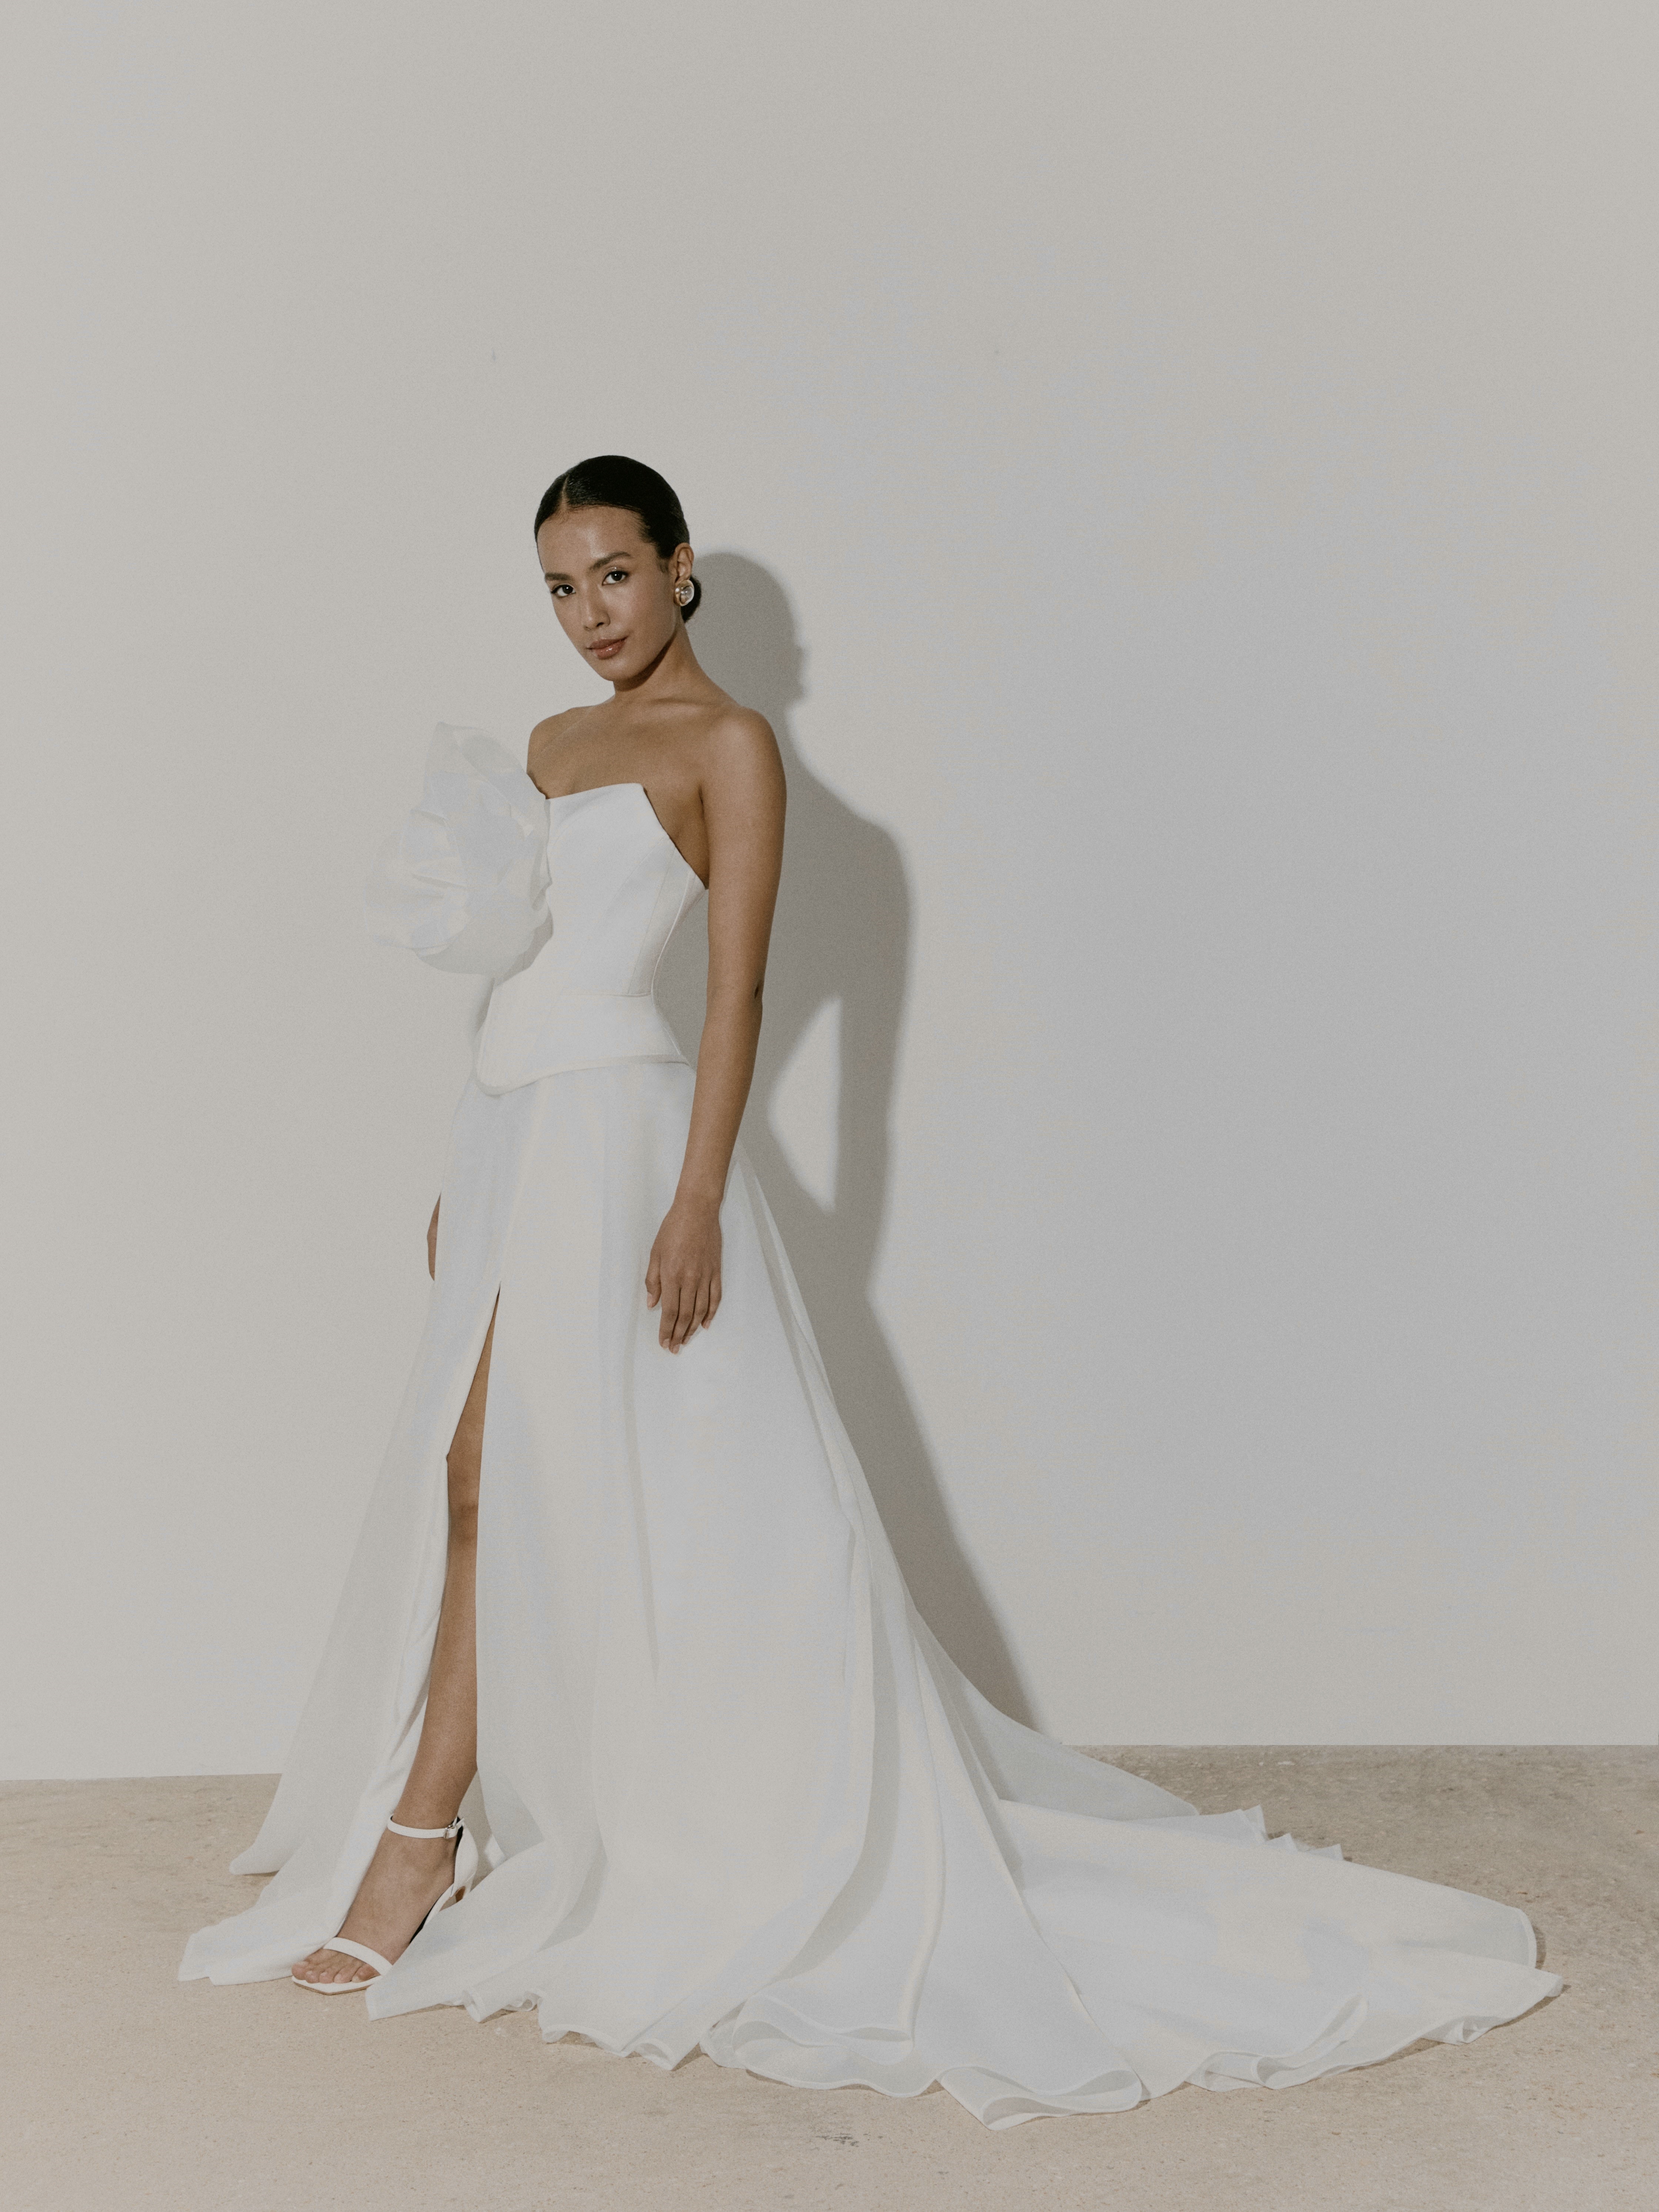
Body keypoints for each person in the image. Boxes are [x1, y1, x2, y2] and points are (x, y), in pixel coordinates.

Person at [181, 456, 1560, 2128]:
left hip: (626, 1144)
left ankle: (420, 1845)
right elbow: (519, 973)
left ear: (681, 568)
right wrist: (466, 1182)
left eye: (613, 575)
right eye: (557, 587)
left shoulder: (729, 746)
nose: (588, 614)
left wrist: (700, 1193)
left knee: (561, 1485)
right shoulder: (547, 746)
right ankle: (439, 1825)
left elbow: (741, 991)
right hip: (515, 1140)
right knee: (479, 1483)